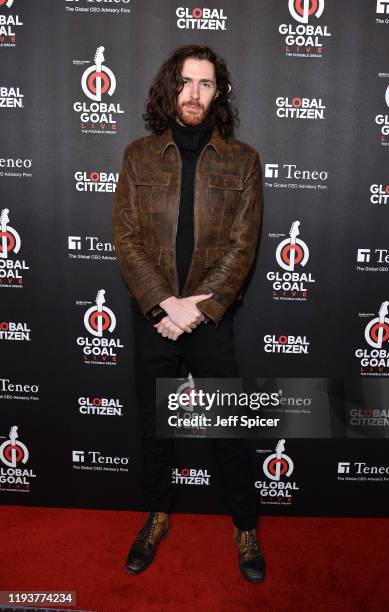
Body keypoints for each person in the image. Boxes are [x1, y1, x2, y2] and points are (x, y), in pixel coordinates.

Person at [112, 44, 264, 583]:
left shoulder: (244, 161)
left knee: (228, 429)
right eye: (184, 82)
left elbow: (242, 247)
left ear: (218, 92)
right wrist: (162, 304)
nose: (193, 93)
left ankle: (245, 526)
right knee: (155, 429)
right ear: (169, 88)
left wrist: (195, 310)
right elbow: (126, 237)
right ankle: (156, 517)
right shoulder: (137, 156)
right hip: (154, 314)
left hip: (208, 318)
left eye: (204, 83)